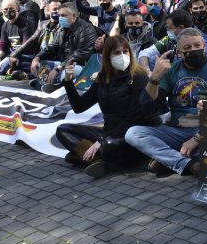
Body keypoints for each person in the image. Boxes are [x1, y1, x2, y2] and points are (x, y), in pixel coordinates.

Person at [125, 28, 207, 176]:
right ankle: (188, 165)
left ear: (204, 46)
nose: (194, 50)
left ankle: (170, 160)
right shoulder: (172, 70)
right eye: (187, 47)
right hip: (176, 130)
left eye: (197, 45)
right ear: (179, 52)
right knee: (133, 133)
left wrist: (197, 139)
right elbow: (148, 106)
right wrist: (155, 78)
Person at [57, 35, 162, 177]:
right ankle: (97, 160)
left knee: (109, 145)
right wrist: (68, 82)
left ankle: (87, 157)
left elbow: (134, 118)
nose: (123, 56)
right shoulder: (103, 77)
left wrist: (101, 140)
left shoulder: (138, 76)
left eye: (125, 51)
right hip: (110, 131)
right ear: (108, 56)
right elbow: (79, 107)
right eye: (117, 53)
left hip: (133, 132)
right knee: (63, 129)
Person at [31, 2, 98, 88]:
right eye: (59, 15)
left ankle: (55, 84)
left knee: (65, 74)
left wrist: (58, 68)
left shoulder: (87, 29)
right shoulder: (62, 29)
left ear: (74, 16)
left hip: (83, 66)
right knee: (42, 64)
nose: (60, 18)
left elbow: (80, 54)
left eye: (63, 15)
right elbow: (52, 46)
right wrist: (37, 58)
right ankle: (46, 81)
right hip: (64, 64)